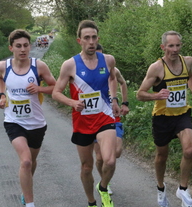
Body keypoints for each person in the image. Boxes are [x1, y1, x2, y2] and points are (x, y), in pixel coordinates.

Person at [52, 20, 120, 207]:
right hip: (82, 121)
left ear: (98, 39)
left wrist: (114, 99)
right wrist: (72, 102)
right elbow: (56, 92)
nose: (91, 42)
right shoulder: (70, 65)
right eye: (87, 38)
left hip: (104, 116)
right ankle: (91, 202)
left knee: (110, 160)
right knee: (86, 166)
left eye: (94, 37)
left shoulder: (108, 60)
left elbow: (113, 78)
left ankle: (103, 188)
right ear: (79, 40)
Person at [136, 31, 192, 207]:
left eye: (178, 45)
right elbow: (140, 94)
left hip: (182, 114)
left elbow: (190, 77)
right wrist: (156, 96)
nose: (175, 49)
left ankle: (182, 188)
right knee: (161, 156)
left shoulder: (187, 61)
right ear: (163, 47)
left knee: (189, 151)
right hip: (162, 117)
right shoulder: (156, 68)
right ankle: (160, 188)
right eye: (171, 46)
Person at [0, 29, 56, 207]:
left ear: (30, 46)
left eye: (26, 45)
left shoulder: (39, 66)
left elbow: (55, 87)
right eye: (18, 46)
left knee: (32, 161)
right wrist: (2, 96)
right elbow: (0, 78)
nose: (23, 49)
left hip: (37, 123)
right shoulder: (3, 66)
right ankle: (30, 203)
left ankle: (25, 188)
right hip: (13, 121)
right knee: (26, 160)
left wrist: (40, 89)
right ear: (11, 48)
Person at [93, 44, 130, 195]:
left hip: (113, 116)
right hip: (95, 118)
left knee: (117, 151)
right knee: (100, 157)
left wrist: (124, 103)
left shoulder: (112, 69)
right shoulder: (84, 73)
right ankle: (104, 184)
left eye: (100, 56)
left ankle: (104, 182)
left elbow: (122, 82)